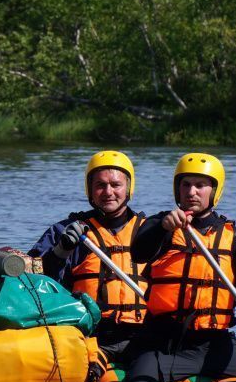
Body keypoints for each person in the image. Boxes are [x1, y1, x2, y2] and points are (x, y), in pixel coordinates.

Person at [115, 152, 236, 382]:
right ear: (177, 188)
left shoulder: (234, 238)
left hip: (215, 346)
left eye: (200, 185)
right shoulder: (160, 226)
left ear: (215, 190)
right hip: (164, 344)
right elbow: (139, 251)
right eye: (186, 184)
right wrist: (164, 226)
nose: (192, 192)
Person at [29, 151, 147, 364]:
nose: (108, 192)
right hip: (88, 334)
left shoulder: (150, 233)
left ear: (129, 188)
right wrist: (60, 252)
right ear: (90, 190)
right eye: (100, 185)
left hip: (141, 335)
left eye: (116, 185)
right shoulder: (64, 231)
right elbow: (34, 284)